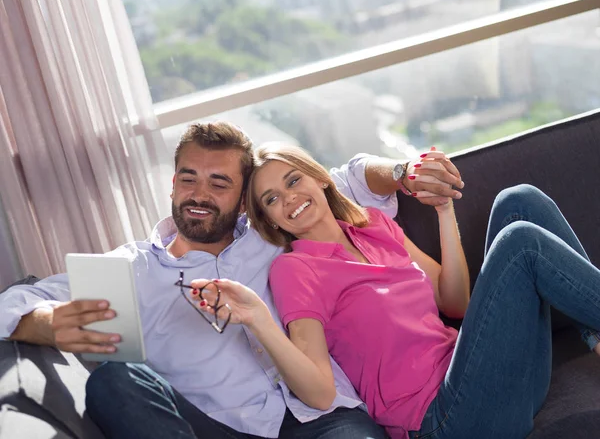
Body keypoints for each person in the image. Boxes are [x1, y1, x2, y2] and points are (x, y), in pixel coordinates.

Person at [0, 121, 463, 439]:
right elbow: (15, 299)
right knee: (115, 380)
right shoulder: (131, 268)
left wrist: (403, 173)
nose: (200, 194)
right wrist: (43, 322)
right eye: (189, 179)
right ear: (172, 186)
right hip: (221, 428)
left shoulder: (274, 229)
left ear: (244, 201)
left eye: (219, 183)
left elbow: (349, 178)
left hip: (324, 416)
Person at [193, 142, 600, 439]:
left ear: (318, 178)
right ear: (272, 220)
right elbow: (318, 392)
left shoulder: (372, 224)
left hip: (492, 381)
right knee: (520, 242)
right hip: (446, 419)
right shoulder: (296, 269)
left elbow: (454, 302)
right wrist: (259, 321)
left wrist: (444, 211)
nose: (290, 199)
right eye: (272, 199)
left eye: (294, 180)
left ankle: (595, 336)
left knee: (519, 201)